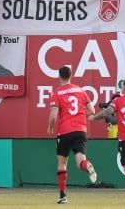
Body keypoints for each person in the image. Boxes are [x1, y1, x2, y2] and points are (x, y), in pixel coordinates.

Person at [47, 66, 97, 205]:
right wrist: (80, 116)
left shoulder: (57, 93)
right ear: (71, 75)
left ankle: (63, 196)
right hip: (80, 130)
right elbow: (92, 110)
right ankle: (87, 166)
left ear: (59, 76)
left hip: (64, 131)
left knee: (62, 164)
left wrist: (50, 126)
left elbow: (53, 114)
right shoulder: (80, 90)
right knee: (80, 161)